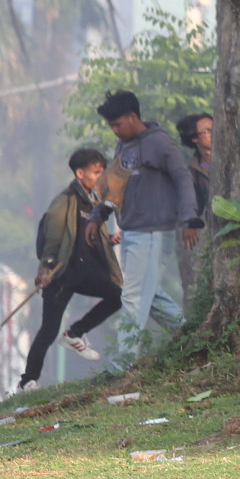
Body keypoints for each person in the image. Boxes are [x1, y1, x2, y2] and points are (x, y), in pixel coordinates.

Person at [88, 90, 201, 372]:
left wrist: (190, 218)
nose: (115, 130)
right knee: (147, 294)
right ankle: (194, 339)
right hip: (132, 231)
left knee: (134, 296)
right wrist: (96, 216)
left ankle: (122, 366)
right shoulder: (123, 147)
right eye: (111, 126)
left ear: (133, 117)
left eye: (118, 124)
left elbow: (182, 178)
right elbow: (114, 189)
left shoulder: (160, 143)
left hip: (153, 233)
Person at [17, 148, 124, 391]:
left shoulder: (96, 202)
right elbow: (52, 240)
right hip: (61, 275)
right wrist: (45, 270)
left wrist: (110, 239)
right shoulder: (64, 201)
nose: (101, 176)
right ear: (80, 173)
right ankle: (27, 382)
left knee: (117, 297)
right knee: (48, 330)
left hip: (86, 273)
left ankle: (75, 332)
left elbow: (91, 238)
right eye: (96, 172)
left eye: (102, 172)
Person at [173, 112, 213, 309]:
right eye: (206, 131)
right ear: (194, 138)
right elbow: (194, 202)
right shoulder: (194, 170)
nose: (212, 134)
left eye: (213, 129)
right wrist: (190, 222)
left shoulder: (232, 155)